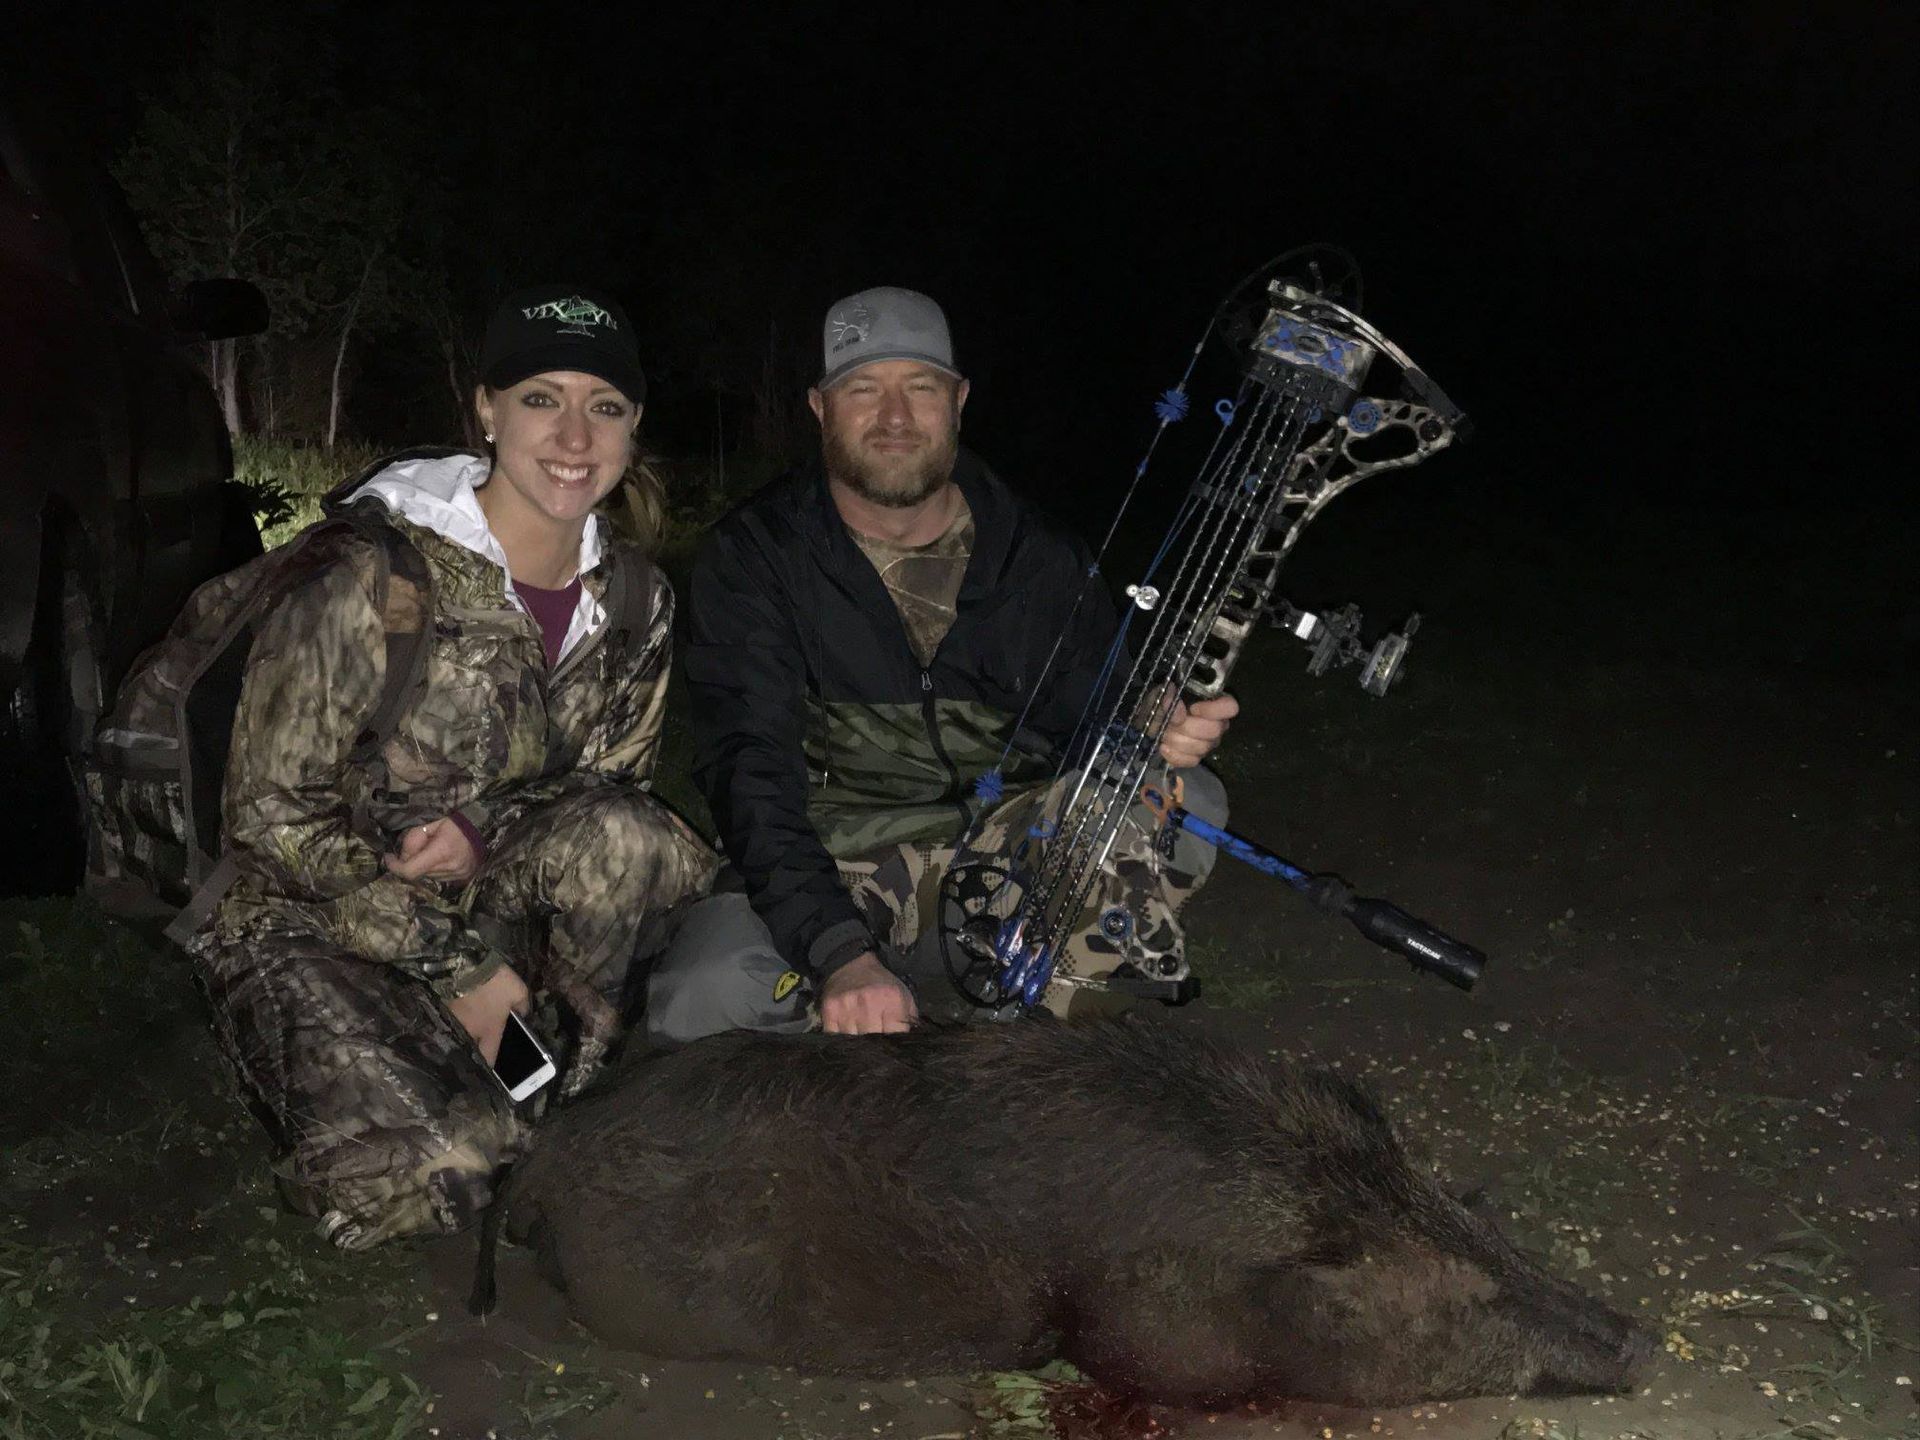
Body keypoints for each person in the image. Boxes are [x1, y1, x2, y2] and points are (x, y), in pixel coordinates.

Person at [186, 285, 715, 1249]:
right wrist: (459, 968)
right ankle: (470, 1069)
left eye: (605, 407)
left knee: (628, 839)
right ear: (486, 409)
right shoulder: (363, 572)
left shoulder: (636, 599)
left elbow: (610, 788)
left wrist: (479, 830)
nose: (573, 436)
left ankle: (561, 1082)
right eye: (542, 398)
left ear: (634, 429)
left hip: (486, 897)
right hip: (316, 911)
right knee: (424, 1184)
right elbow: (266, 819)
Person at [653, 286, 1236, 1040]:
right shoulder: (753, 557)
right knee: (709, 993)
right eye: (863, 389)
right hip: (833, 865)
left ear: (957, 401)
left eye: (920, 388)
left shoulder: (1040, 555)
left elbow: (1095, 720)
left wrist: (1148, 722)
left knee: (1185, 798)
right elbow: (749, 772)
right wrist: (838, 954)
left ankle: (1054, 1000)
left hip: (1000, 855)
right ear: (820, 407)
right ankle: (893, 1002)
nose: (895, 417)